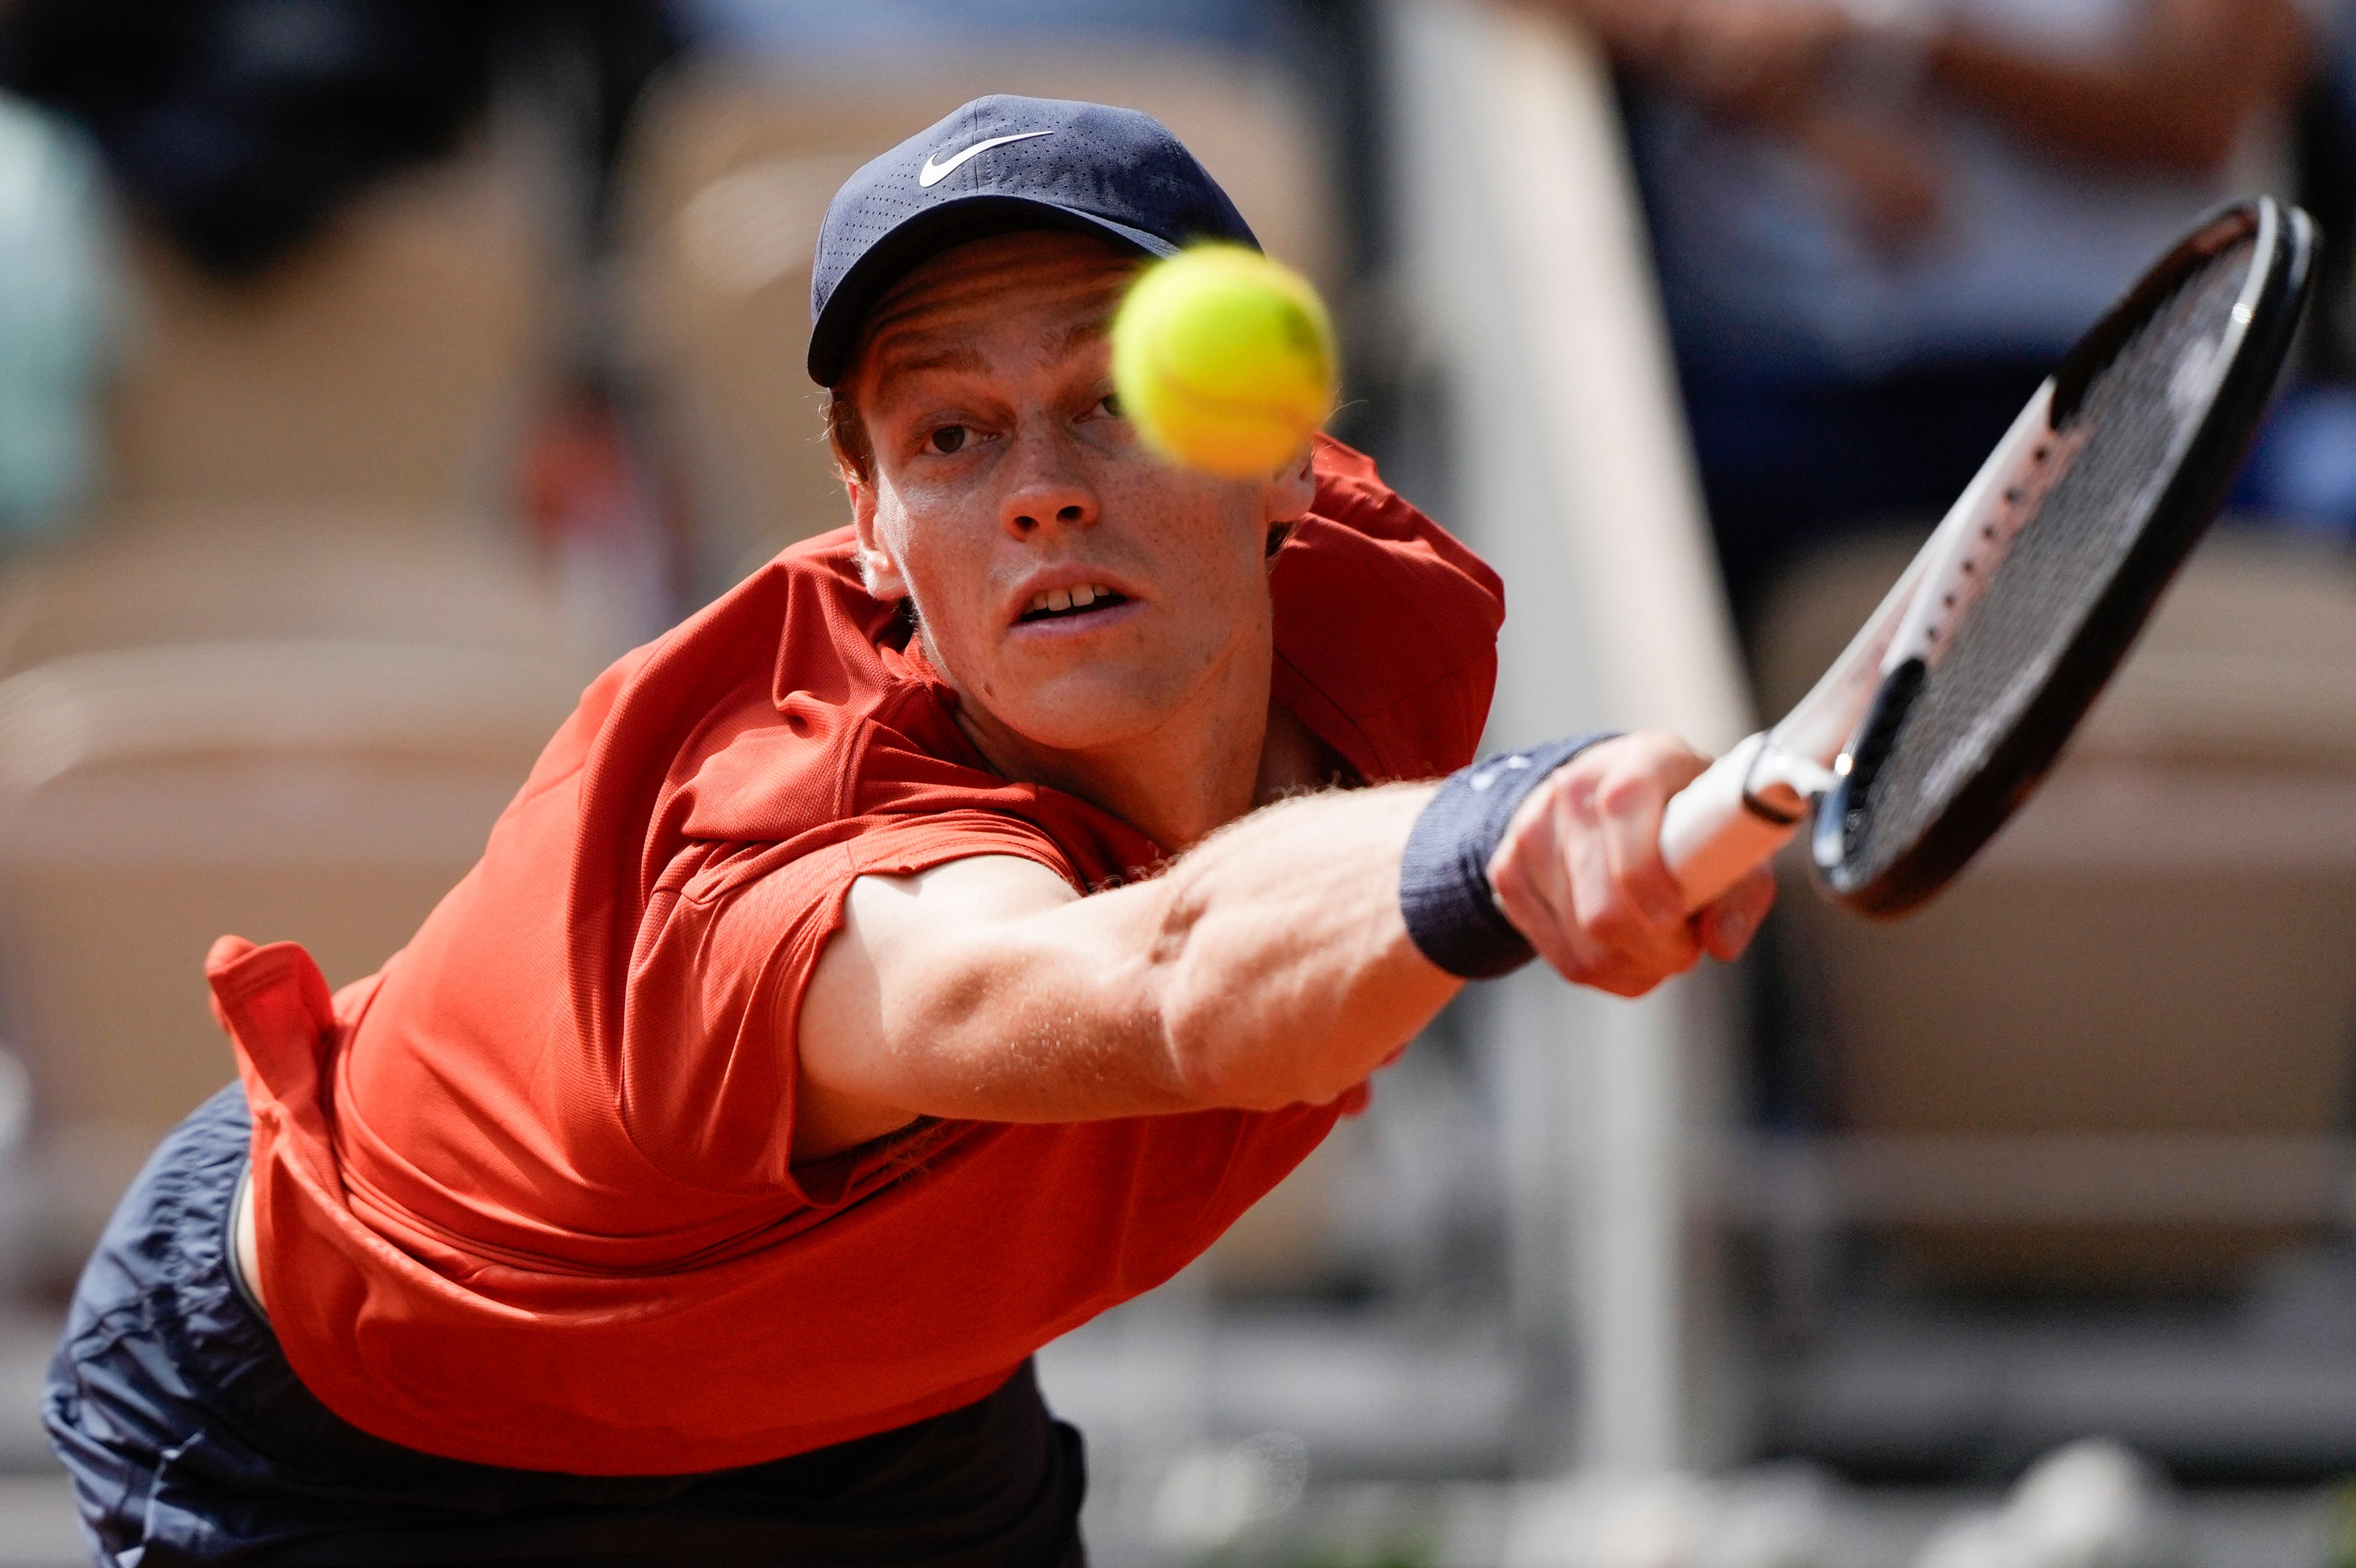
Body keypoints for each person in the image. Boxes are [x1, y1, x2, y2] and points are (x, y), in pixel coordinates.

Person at [44, 94, 1774, 1564]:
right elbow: (1167, 980)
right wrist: (1487, 842)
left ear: (1282, 461)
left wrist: (1516, 835)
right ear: (869, 523)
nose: (1040, 482)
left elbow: (1299, 935)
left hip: (859, 1406)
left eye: (1115, 394)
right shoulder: (781, 840)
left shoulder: (1391, 637)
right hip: (364, 1435)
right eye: (951, 432)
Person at [1528, 0, 2328, 619]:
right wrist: (1794, 108)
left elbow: (2194, 113)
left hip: (2113, 400)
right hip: (1769, 391)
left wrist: (1896, 44)